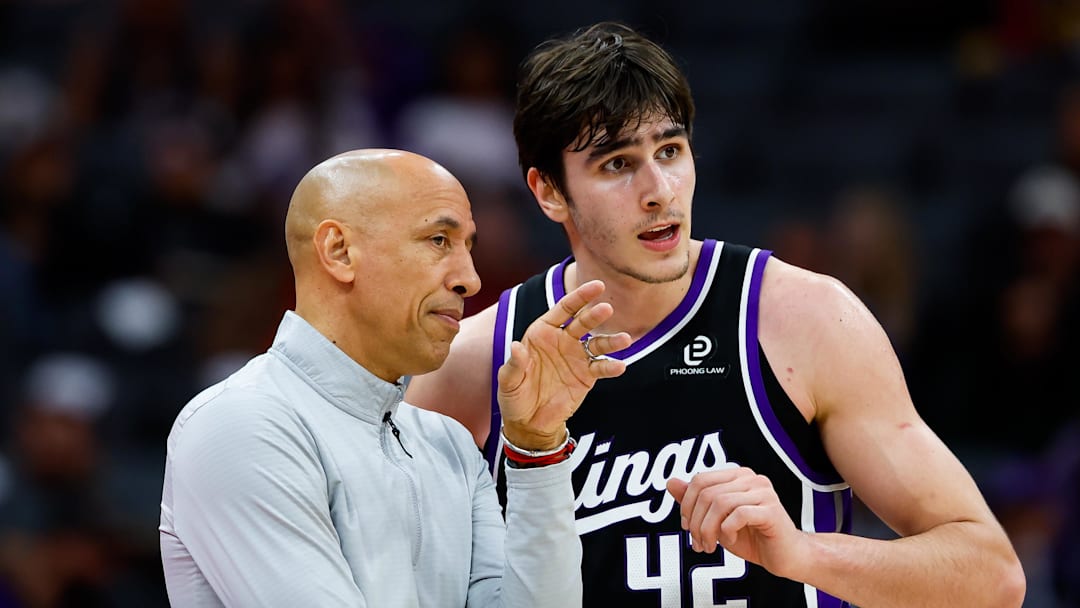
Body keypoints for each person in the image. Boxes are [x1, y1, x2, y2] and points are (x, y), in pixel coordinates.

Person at [405, 22, 1027, 608]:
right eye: (617, 164)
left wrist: (804, 554)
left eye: (670, 150)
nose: (659, 190)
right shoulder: (474, 366)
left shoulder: (804, 321)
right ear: (547, 192)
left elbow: (991, 575)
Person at [158, 148, 632, 606]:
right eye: (438, 240)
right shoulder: (242, 425)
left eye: (468, 246)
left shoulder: (450, 445)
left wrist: (536, 447)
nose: (470, 279)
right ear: (339, 251)